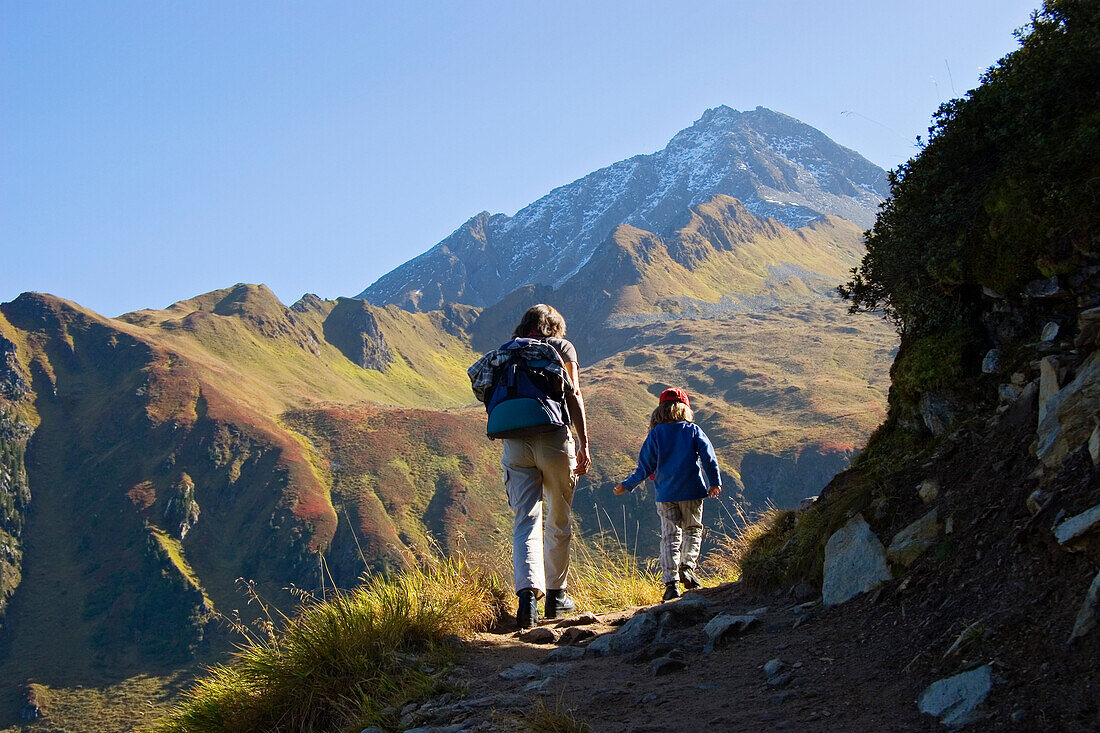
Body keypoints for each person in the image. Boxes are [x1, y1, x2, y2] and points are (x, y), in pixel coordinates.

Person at [499, 304, 591, 628]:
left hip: (515, 443)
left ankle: (527, 600)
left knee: (525, 519)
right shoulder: (561, 347)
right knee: (558, 517)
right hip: (553, 438)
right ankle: (556, 596)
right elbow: (574, 393)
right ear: (554, 326)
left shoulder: (510, 351)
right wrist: (583, 442)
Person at [614, 388, 721, 601]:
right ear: (685, 409)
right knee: (692, 530)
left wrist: (627, 485)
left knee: (670, 536)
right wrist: (714, 482)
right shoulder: (693, 430)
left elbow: (644, 467)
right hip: (692, 491)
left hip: (665, 494)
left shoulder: (655, 434)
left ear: (660, 410)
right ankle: (687, 567)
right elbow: (709, 458)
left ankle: (671, 584)